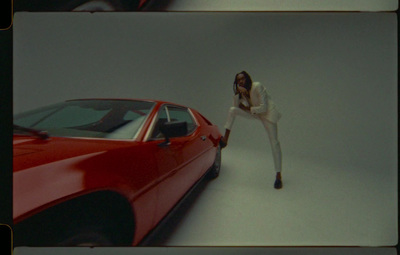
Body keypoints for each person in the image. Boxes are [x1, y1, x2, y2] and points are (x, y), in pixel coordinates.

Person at [220, 71, 283, 189]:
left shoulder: (257, 86)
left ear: (247, 78)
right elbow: (236, 106)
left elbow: (264, 107)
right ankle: (225, 139)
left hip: (268, 115)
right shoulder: (242, 91)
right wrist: (237, 94)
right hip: (255, 113)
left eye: (242, 79)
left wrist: (248, 108)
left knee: (274, 143)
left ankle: (278, 175)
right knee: (232, 110)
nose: (241, 81)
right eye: (238, 80)